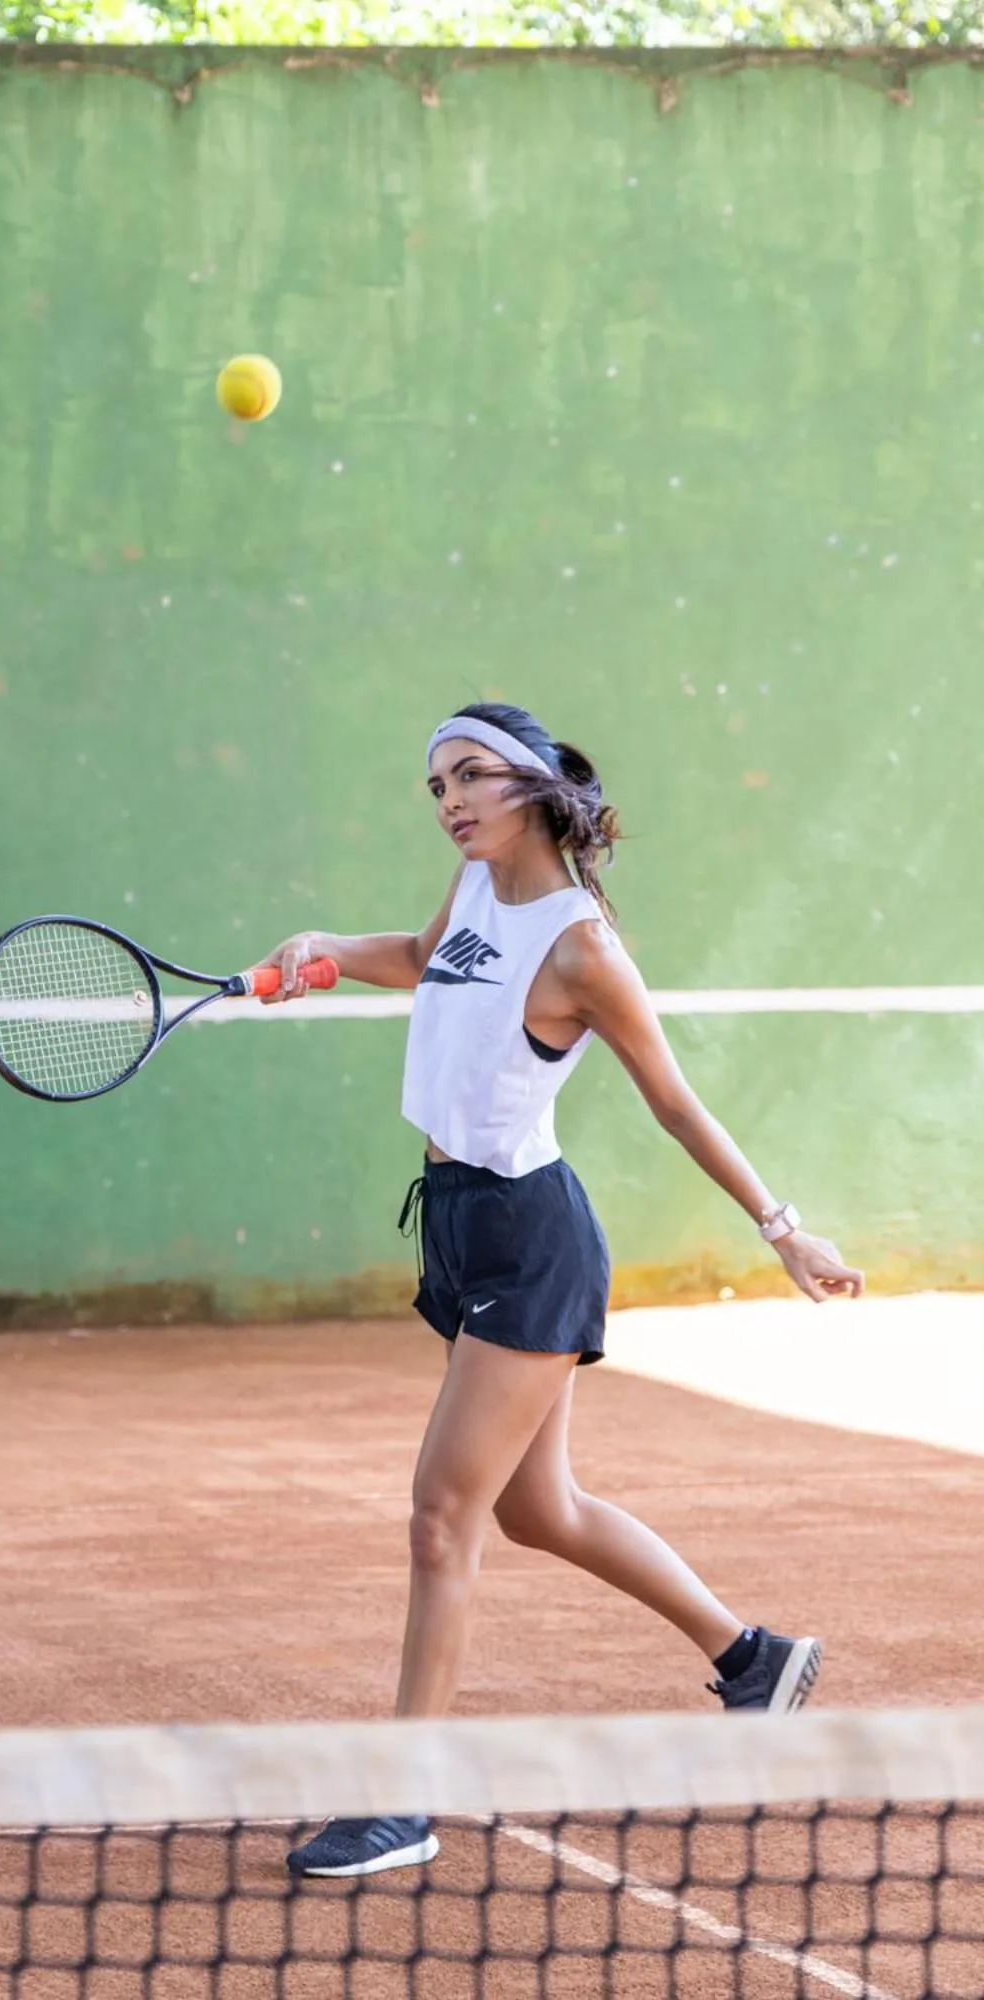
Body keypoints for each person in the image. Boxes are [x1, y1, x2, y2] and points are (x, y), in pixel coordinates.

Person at [261, 702, 865, 1882]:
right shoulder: (476, 888)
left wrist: (782, 1228)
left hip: (531, 1237)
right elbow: (425, 957)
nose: (450, 801)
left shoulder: (584, 949)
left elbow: (675, 1101)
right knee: (538, 1508)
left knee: (443, 1514)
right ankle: (751, 1656)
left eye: (472, 777)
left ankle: (400, 1798)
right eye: (436, 783)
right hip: (457, 1224)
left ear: (532, 784)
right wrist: (320, 955)